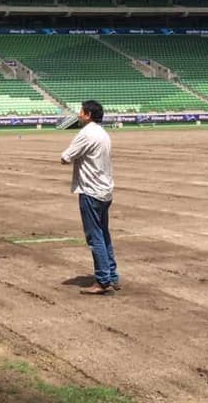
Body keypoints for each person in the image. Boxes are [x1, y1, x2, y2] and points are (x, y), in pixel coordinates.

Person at [60, 100, 119, 294]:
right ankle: (112, 275)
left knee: (95, 237)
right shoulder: (103, 133)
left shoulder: (86, 134)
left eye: (81, 111)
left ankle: (103, 280)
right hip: (105, 190)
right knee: (104, 234)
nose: (79, 114)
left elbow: (65, 157)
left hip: (90, 190)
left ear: (88, 115)